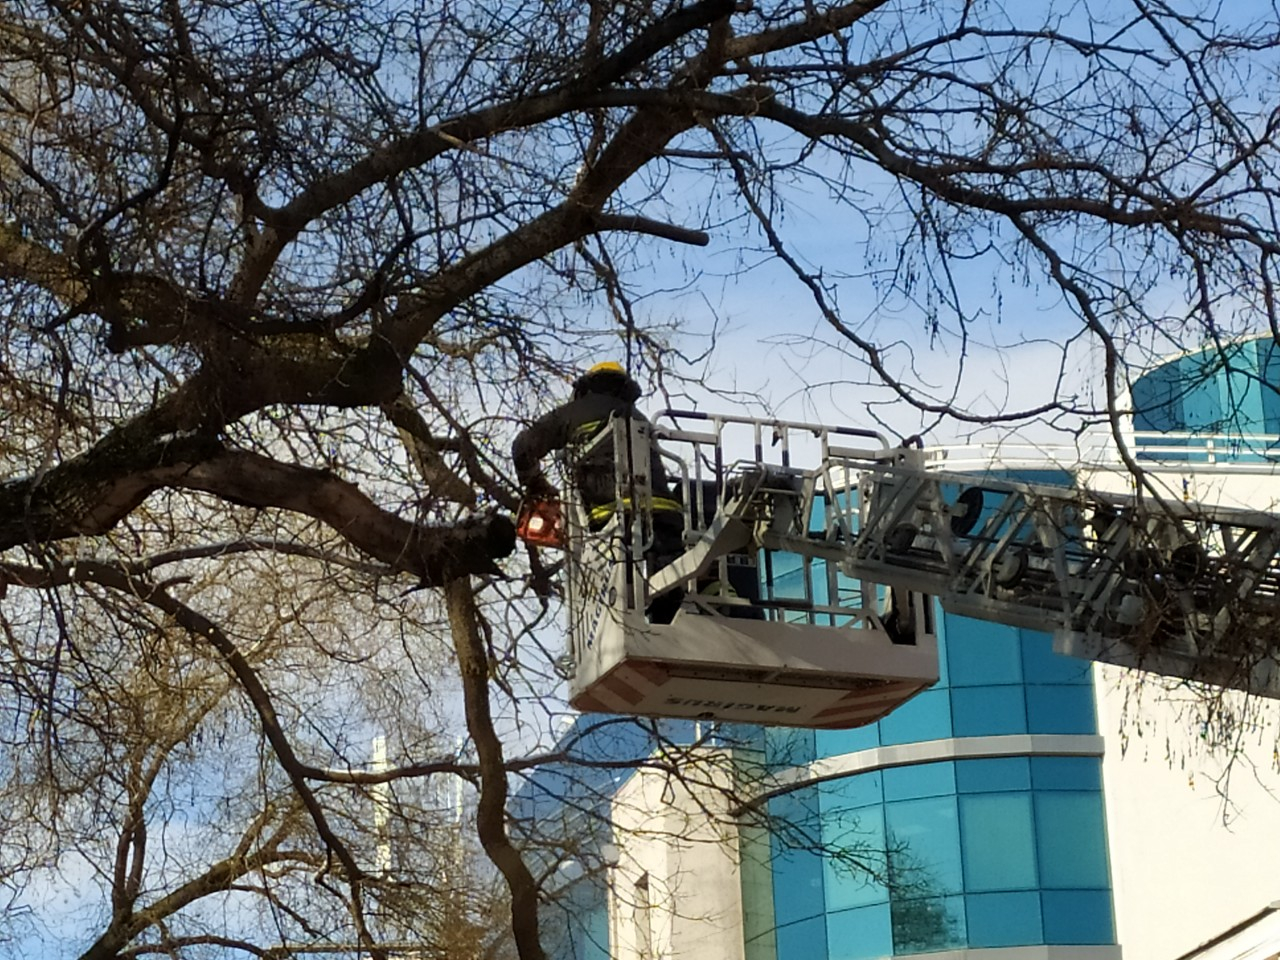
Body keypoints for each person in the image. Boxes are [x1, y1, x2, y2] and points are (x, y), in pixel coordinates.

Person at [511, 361, 686, 622]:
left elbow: (523, 447)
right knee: (670, 587)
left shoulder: (573, 413)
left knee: (623, 595)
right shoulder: (637, 417)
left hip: (612, 518)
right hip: (666, 516)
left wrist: (535, 483)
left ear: (586, 387)